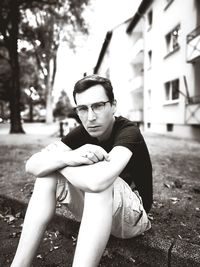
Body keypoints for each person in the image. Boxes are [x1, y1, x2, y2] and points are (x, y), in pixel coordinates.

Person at [11, 74, 153, 267]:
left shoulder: (128, 131)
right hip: (100, 214)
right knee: (46, 177)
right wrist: (68, 157)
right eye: (83, 108)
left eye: (98, 106)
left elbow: (98, 181)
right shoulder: (83, 131)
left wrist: (61, 164)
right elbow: (32, 165)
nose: (91, 116)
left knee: (97, 183)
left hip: (133, 219)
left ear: (113, 105)